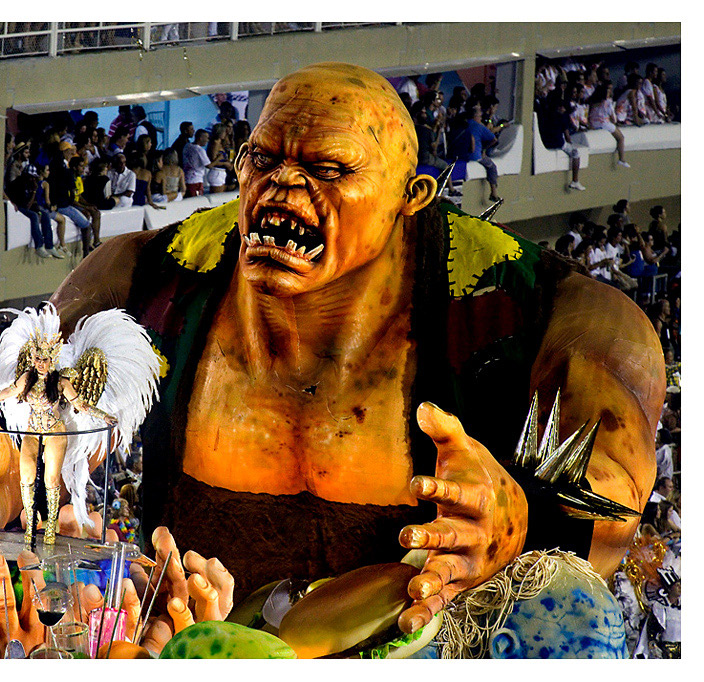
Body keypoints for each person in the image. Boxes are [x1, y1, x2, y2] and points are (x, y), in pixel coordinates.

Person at [48, 63, 664, 632]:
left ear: (412, 197)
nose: (282, 185)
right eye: (262, 160)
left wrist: (521, 524)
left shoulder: (548, 312)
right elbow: (14, 424)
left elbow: (610, 517)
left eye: (329, 170)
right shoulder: (144, 277)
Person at [0, 304, 155, 547]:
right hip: (32, 432)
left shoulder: (63, 381)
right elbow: (9, 391)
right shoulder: (26, 378)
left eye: (44, 359)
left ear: (51, 359)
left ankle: (51, 530)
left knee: (51, 481)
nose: (40, 363)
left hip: (55, 432)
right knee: (26, 479)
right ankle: (31, 527)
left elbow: (82, 405)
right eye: (36, 359)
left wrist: (104, 416)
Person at [449, 102, 500, 201]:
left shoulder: (462, 123)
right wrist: (484, 149)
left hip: (459, 155)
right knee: (492, 167)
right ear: (476, 116)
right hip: (475, 156)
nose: (481, 118)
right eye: (480, 116)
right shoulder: (479, 126)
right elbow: (494, 140)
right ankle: (494, 193)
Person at [538, 92, 584, 192]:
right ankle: (575, 181)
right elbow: (567, 135)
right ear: (560, 107)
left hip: (545, 142)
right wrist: (570, 143)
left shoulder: (546, 114)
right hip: (557, 143)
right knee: (576, 153)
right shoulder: (561, 117)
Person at [587, 83, 629, 167]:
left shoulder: (592, 101)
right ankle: (621, 159)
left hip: (593, 123)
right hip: (604, 123)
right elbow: (612, 117)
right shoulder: (607, 102)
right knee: (621, 138)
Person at [182, 129, 212, 197]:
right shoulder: (200, 150)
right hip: (196, 180)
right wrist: (219, 159)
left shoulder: (187, 146)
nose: (207, 140)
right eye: (206, 138)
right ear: (200, 138)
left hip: (186, 178)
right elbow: (209, 165)